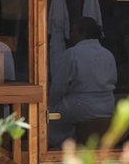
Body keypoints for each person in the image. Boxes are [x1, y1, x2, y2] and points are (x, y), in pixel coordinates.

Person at [48, 17, 117, 148]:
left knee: (49, 117)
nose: (71, 35)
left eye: (74, 31)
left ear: (82, 33)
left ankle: (63, 148)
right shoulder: (108, 54)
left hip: (80, 106)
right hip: (107, 106)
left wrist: (51, 103)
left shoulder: (72, 54)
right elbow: (114, 79)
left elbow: (59, 87)